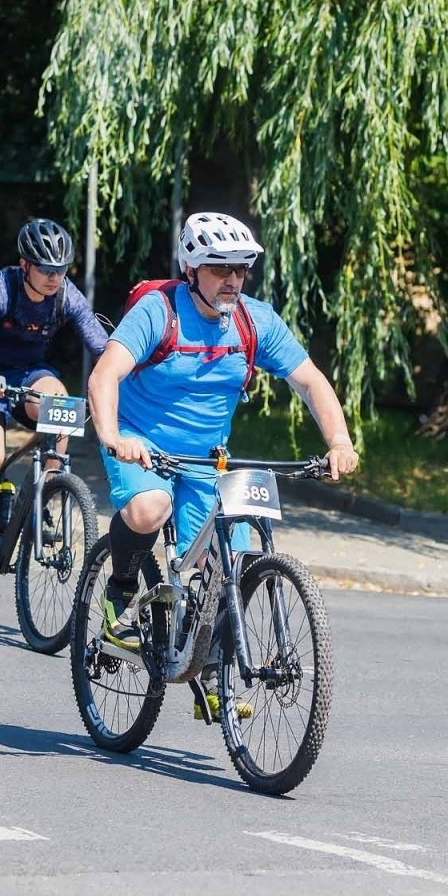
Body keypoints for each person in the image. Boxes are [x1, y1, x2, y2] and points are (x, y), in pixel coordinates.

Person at [87, 211, 360, 716]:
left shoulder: (254, 320)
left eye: (240, 269)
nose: (233, 279)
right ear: (191, 269)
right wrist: (111, 436)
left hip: (208, 460)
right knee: (150, 507)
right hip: (138, 441)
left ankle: (211, 669)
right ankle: (119, 595)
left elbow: (310, 381)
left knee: (229, 559)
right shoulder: (156, 312)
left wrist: (339, 441)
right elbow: (105, 375)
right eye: (220, 268)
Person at [0, 218, 110, 592]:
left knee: (62, 404)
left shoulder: (66, 295)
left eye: (61, 269)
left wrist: (123, 372)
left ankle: (47, 494)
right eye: (46, 270)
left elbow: (99, 344)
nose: (54, 278)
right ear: (25, 266)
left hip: (30, 374)